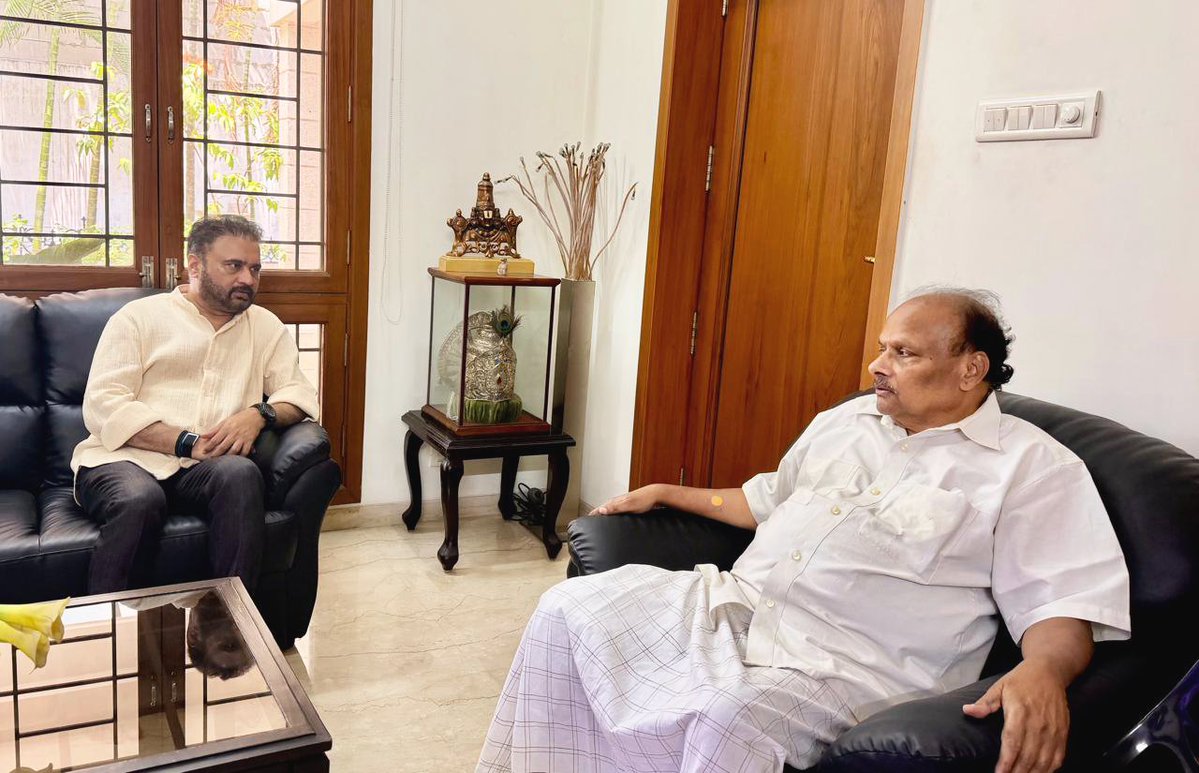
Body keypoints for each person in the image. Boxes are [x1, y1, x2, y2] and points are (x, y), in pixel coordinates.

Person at [478, 288, 1130, 773]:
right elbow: (765, 499)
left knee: (727, 714)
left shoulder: (1030, 467)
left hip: (846, 665)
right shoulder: (845, 423)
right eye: (881, 347)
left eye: (901, 353)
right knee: (567, 607)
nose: (877, 364)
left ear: (970, 369)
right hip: (735, 606)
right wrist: (667, 491)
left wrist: (1043, 670)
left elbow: (1059, 601)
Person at [72, 215, 320, 595]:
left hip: (204, 470)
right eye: (234, 266)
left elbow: (299, 394)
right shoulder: (139, 318)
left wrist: (260, 414)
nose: (248, 280)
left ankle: (228, 632)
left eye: (255, 269)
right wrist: (184, 441)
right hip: (123, 459)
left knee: (240, 475)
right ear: (194, 265)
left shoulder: (265, 326)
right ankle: (114, 633)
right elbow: (104, 404)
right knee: (141, 500)